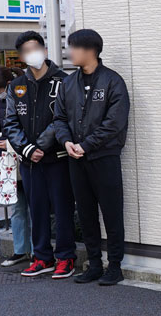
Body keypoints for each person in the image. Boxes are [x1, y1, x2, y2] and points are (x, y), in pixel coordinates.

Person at [54, 29, 130, 286]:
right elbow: (60, 119)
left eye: (73, 48)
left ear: (90, 51)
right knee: (85, 213)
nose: (69, 52)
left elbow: (114, 123)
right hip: (76, 158)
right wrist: (66, 141)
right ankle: (95, 264)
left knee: (111, 212)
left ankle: (115, 265)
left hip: (104, 157)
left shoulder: (112, 81)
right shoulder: (67, 83)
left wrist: (86, 144)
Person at [2, 31, 76, 279]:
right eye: (25, 51)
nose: (31, 54)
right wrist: (27, 149)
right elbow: (10, 122)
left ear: (44, 50)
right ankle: (42, 257)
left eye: (35, 48)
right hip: (29, 161)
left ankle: (66, 257)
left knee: (63, 208)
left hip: (57, 157)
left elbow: (63, 118)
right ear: (21, 57)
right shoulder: (16, 85)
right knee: (37, 208)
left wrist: (41, 146)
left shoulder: (64, 81)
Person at [0, 66, 31, 267]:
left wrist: (10, 144)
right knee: (18, 207)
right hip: (11, 160)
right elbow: (7, 121)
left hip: (27, 157)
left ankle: (39, 252)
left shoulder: (24, 94)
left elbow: (30, 126)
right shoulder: (5, 99)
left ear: (8, 84)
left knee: (33, 207)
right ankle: (21, 250)